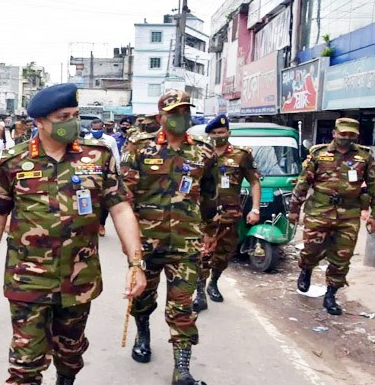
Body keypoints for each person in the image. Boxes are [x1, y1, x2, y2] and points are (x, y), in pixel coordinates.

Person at [0, 83, 147, 385]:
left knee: (70, 354)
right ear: (39, 122)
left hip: (79, 279)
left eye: (75, 115)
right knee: (25, 365)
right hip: (28, 279)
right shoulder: (12, 162)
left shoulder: (99, 158)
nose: (72, 122)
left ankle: (66, 377)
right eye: (63, 116)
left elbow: (120, 209)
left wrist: (136, 263)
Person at [121, 89, 217, 385]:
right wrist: (131, 245)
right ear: (161, 116)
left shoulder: (204, 150)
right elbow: (124, 198)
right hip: (146, 243)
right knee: (143, 298)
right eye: (174, 113)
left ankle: (182, 369)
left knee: (182, 306)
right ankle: (143, 332)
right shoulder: (139, 147)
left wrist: (211, 231)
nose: (181, 118)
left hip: (186, 243)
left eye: (185, 111)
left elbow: (210, 196)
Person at [288, 117, 375, 315]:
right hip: (319, 211)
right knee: (311, 250)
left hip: (348, 215)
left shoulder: (364, 157)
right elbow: (303, 183)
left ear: (356, 136)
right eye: (343, 134)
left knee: (342, 257)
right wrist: (294, 209)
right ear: (334, 133)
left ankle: (331, 294)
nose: (346, 138)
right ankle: (306, 269)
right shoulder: (319, 154)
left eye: (351, 135)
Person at [193, 115, 261, 312]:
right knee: (201, 253)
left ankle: (213, 282)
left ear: (229, 133)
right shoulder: (199, 154)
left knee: (224, 253)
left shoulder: (241, 155)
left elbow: (255, 181)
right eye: (213, 133)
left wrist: (255, 209)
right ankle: (199, 292)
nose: (217, 136)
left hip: (230, 213)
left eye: (221, 132)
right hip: (203, 215)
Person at [85, 118, 121, 237]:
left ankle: (101, 224)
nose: (97, 131)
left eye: (99, 129)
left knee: (104, 202)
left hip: (106, 173)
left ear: (103, 128)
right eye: (94, 129)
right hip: (89, 173)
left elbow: (116, 155)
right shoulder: (85, 140)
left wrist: (118, 172)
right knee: (89, 200)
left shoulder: (110, 140)